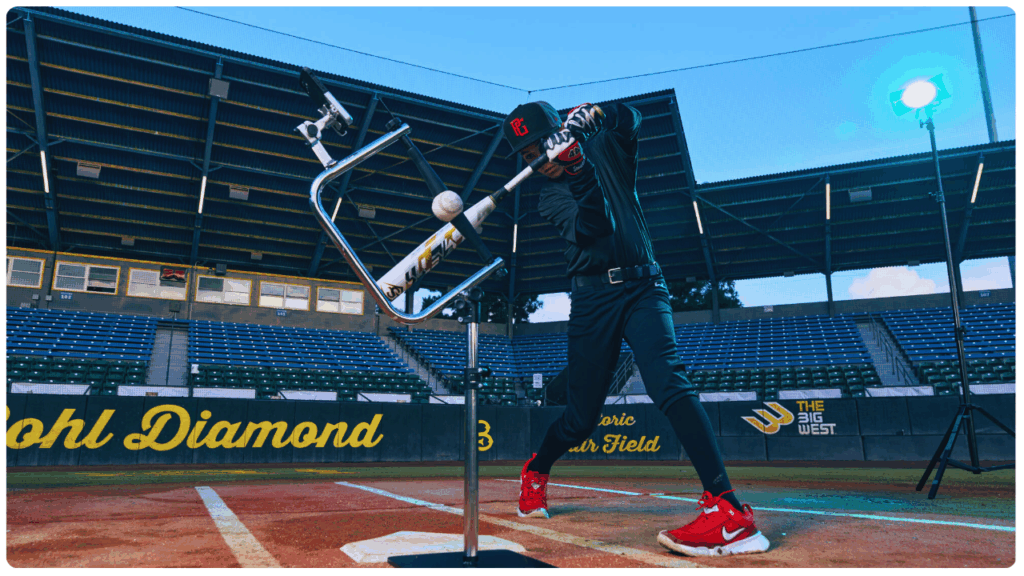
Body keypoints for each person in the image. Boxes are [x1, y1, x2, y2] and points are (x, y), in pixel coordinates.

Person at [501, 101, 770, 557]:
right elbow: (594, 227)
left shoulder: (603, 147)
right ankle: (537, 469)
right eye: (527, 156)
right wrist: (577, 169)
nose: (537, 161)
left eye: (540, 147)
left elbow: (633, 120)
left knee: (671, 383)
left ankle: (726, 510)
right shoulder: (550, 198)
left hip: (646, 286)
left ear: (559, 131)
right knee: (580, 421)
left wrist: (599, 115)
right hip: (593, 300)